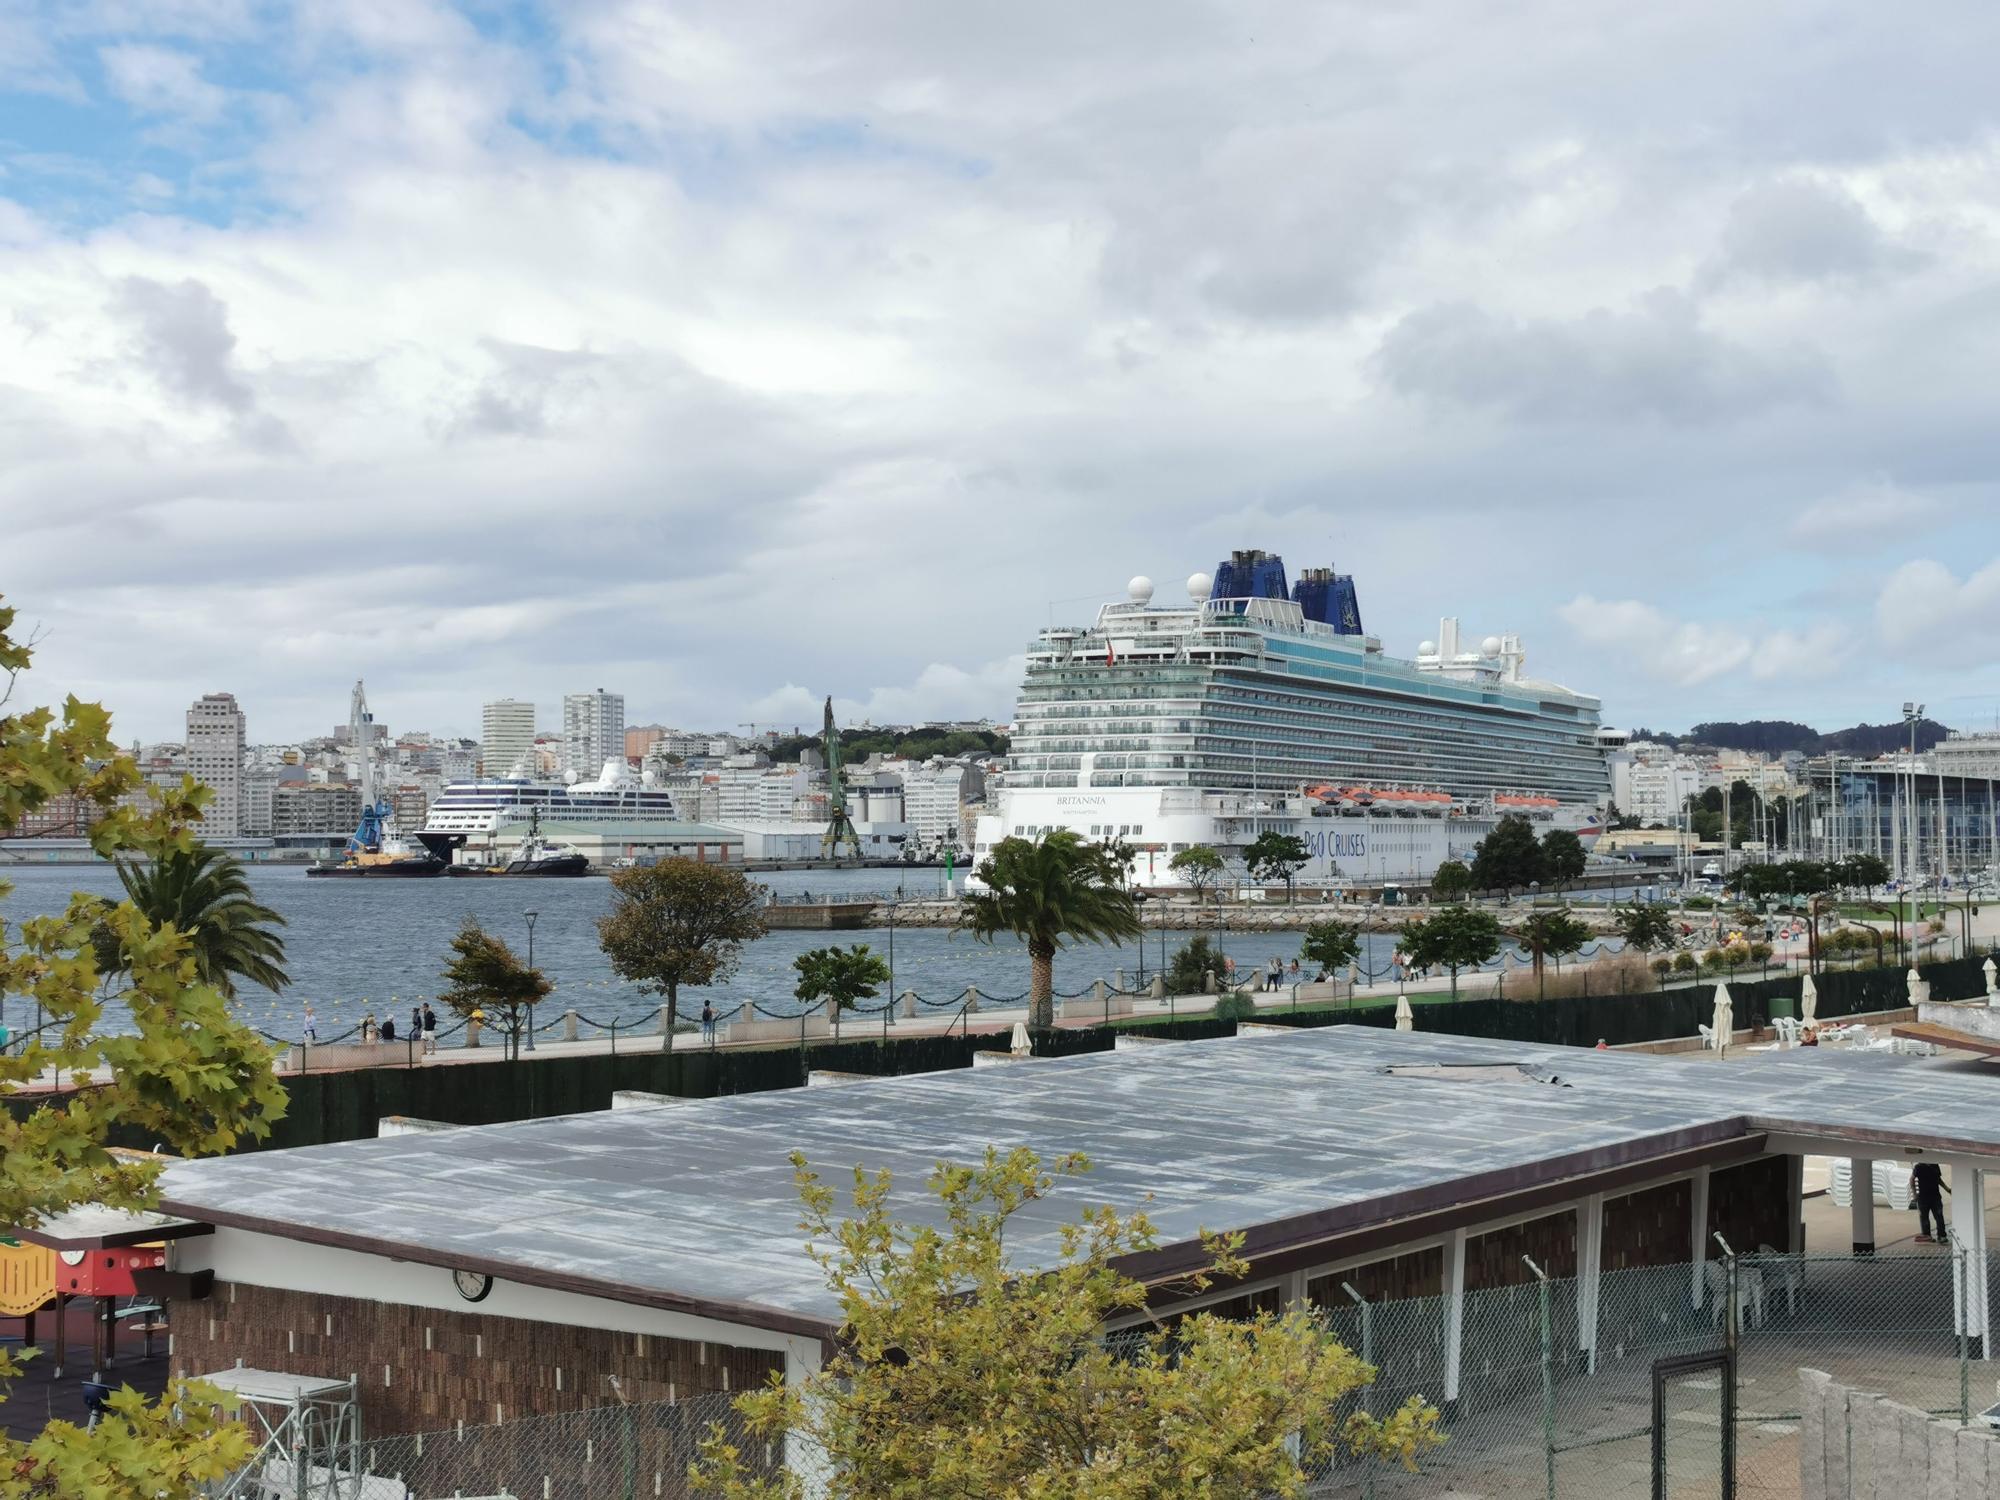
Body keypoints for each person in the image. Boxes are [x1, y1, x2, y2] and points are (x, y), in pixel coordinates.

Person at [1912, 1157, 1949, 1244]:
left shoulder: (1935, 1165)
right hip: (1923, 1198)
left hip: (1935, 1196)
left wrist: (1947, 1189)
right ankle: (1926, 1236)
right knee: (1924, 1217)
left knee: (1939, 1216)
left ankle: (1942, 1236)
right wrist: (1914, 1194)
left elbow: (1938, 1180)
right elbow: (1911, 1179)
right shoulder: (1918, 1167)